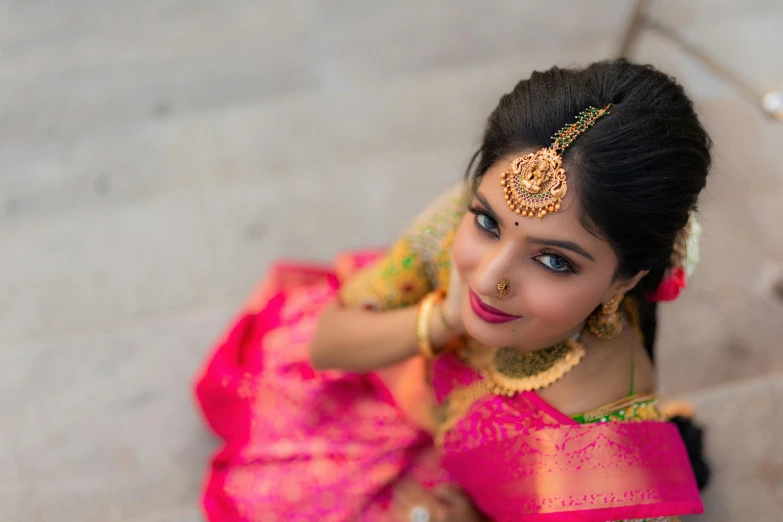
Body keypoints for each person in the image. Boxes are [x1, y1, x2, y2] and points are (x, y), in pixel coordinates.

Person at [193, 59, 712, 522]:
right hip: (415, 404)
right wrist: (441, 320)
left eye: (554, 261)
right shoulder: (465, 216)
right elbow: (328, 344)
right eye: (487, 223)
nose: (487, 279)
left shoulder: (608, 464)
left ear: (627, 278)